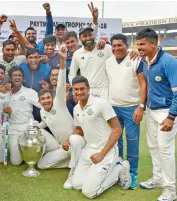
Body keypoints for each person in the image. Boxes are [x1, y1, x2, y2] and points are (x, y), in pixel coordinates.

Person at [67, 76, 132, 198]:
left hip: (105, 152)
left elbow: (117, 130)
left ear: (88, 89)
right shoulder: (76, 109)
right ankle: (103, 172)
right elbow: (80, 128)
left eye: (82, 89)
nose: (79, 92)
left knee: (89, 192)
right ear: (72, 90)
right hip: (88, 151)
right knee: (77, 185)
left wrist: (102, 154)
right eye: (76, 89)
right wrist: (68, 140)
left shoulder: (101, 104)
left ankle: (119, 168)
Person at [136, 28, 177, 201]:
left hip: (166, 112)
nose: (139, 48)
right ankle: (158, 178)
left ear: (153, 43)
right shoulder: (144, 60)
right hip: (151, 111)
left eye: (142, 44)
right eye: (137, 44)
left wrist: (171, 117)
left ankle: (171, 190)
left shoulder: (169, 61)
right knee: (153, 146)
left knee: (165, 150)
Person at [105, 33, 147, 189]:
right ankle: (120, 170)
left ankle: (133, 174)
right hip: (113, 107)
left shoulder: (136, 59)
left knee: (132, 141)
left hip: (131, 108)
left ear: (127, 46)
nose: (116, 48)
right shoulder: (108, 62)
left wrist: (140, 107)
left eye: (120, 45)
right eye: (114, 45)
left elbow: (143, 85)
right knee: (117, 142)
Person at [37, 46, 85, 170]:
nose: (47, 101)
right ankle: (73, 161)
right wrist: (30, 128)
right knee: (41, 165)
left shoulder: (59, 102)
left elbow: (61, 83)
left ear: (52, 98)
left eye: (48, 98)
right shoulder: (42, 111)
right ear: (39, 102)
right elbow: (44, 122)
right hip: (61, 147)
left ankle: (77, 158)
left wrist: (62, 60)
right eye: (43, 99)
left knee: (74, 143)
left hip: (74, 142)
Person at [7, 67, 42, 165]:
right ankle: (21, 151)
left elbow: (43, 105)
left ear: (22, 78)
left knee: (33, 158)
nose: (17, 77)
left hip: (28, 127)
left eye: (20, 75)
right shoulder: (5, 93)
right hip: (13, 128)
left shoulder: (29, 92)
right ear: (10, 78)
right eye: (15, 75)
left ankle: (28, 150)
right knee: (15, 162)